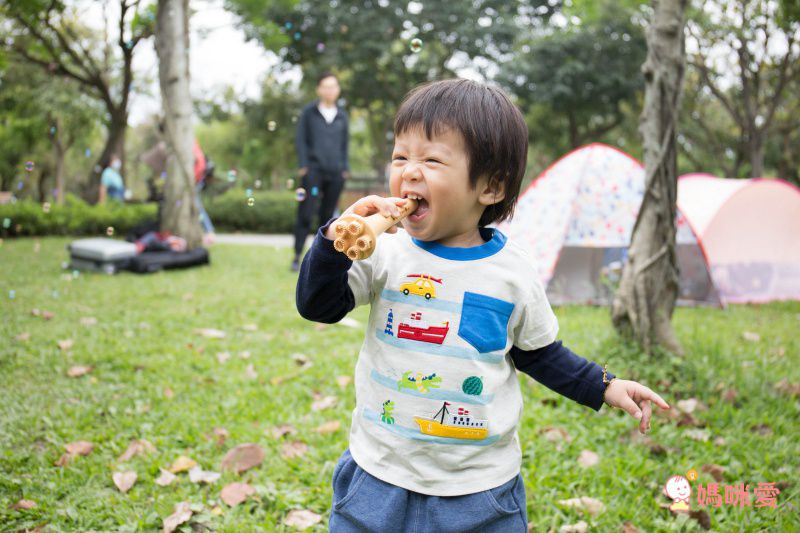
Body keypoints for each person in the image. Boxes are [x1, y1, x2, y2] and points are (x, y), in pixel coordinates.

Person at [295, 79, 670, 532]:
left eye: (432, 160)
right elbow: (318, 305)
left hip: (478, 491)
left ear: (491, 186)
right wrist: (335, 241)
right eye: (400, 157)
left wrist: (603, 385)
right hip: (378, 475)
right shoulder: (386, 253)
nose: (409, 172)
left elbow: (539, 354)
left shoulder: (511, 272)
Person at [291, 71, 350, 272]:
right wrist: (304, 166)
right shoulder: (309, 113)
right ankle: (297, 255)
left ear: (338, 90)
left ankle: (322, 259)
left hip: (335, 173)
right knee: (306, 214)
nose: (330, 90)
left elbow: (344, 144)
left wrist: (344, 169)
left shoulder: (342, 115)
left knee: (327, 217)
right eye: (326, 86)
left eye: (333, 86)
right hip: (313, 171)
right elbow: (301, 140)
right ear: (319, 89)